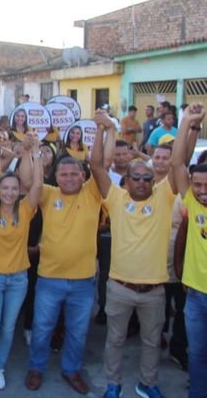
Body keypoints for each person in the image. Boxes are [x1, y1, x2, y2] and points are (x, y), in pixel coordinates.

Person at [90, 110, 177, 398]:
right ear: (125, 181)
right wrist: (101, 129)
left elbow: (177, 163)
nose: (141, 181)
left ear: (154, 181)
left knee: (152, 342)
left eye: (146, 178)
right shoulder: (116, 199)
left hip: (154, 291)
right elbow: (97, 166)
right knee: (114, 340)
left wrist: (187, 124)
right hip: (119, 286)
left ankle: (147, 383)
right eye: (135, 177)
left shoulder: (165, 198)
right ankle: (113, 384)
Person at [25, 144, 106, 394]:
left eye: (75, 174)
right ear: (56, 177)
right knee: (42, 328)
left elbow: (101, 165)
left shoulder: (93, 194)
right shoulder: (48, 195)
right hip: (50, 278)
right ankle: (36, 367)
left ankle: (71, 370)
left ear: (84, 176)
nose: (69, 178)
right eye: (64, 174)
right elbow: (28, 181)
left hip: (83, 281)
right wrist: (32, 152)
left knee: (78, 332)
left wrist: (103, 131)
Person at [0, 133, 42, 390]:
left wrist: (35, 151)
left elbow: (37, 185)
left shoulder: (26, 209)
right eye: (5, 188)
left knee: (8, 329)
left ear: (18, 192)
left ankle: (0, 366)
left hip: (18, 279)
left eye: (14, 188)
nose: (9, 192)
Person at [171, 103, 207, 398]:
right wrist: (188, 122)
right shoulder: (192, 204)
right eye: (197, 185)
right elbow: (177, 164)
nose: (202, 190)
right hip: (194, 296)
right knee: (196, 356)